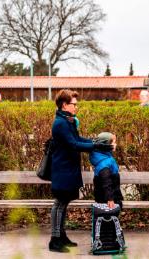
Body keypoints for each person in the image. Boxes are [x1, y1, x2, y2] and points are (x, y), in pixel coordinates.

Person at [49, 89, 113, 253]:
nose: (76, 107)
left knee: (63, 203)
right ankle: (55, 240)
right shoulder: (60, 123)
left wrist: (94, 141)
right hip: (62, 169)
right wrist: (96, 145)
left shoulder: (67, 121)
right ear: (65, 105)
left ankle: (61, 236)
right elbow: (73, 144)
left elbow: (78, 140)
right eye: (74, 104)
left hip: (67, 169)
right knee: (59, 203)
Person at [89, 132, 123, 209]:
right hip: (107, 201)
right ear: (107, 144)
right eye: (114, 142)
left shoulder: (104, 157)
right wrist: (110, 199)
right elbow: (106, 182)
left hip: (110, 197)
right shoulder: (104, 163)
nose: (115, 144)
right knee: (108, 219)